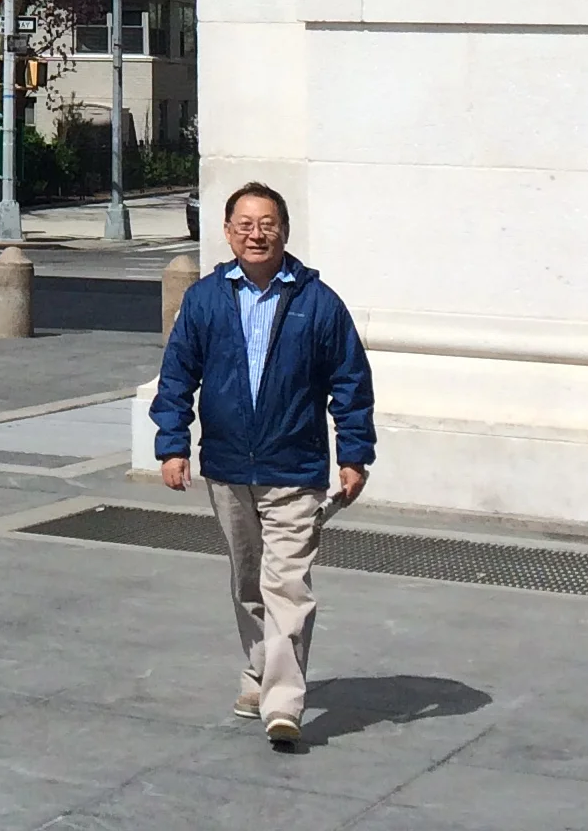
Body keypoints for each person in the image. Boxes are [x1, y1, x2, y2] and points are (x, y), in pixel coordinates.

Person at [150, 181, 374, 751]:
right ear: (227, 233)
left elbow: (350, 383)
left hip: (294, 469)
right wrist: (172, 444)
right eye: (245, 225)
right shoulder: (205, 300)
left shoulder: (318, 303)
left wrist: (354, 454)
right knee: (248, 581)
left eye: (267, 224)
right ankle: (258, 671)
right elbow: (177, 376)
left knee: (288, 585)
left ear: (285, 232)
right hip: (228, 468)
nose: (257, 234)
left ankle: (283, 704)